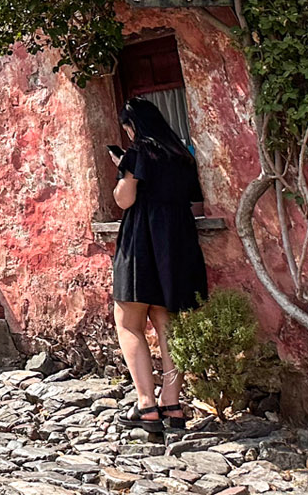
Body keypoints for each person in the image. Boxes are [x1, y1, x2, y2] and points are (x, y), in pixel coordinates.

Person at [110, 97, 207, 432]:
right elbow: (194, 199)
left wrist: (122, 168)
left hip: (141, 240)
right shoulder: (181, 155)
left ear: (133, 126)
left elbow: (125, 199)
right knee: (167, 322)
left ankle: (146, 405)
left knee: (128, 322)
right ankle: (173, 404)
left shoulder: (138, 153)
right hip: (177, 241)